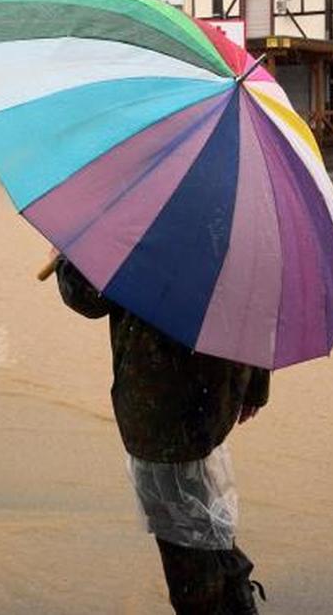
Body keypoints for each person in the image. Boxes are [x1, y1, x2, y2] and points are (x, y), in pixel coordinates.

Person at [55, 255, 270, 614]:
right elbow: (262, 302)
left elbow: (89, 297)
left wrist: (67, 258)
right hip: (216, 394)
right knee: (203, 519)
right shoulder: (240, 224)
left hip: (159, 405)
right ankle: (236, 599)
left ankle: (223, 602)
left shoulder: (144, 221)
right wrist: (255, 385)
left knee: (185, 544)